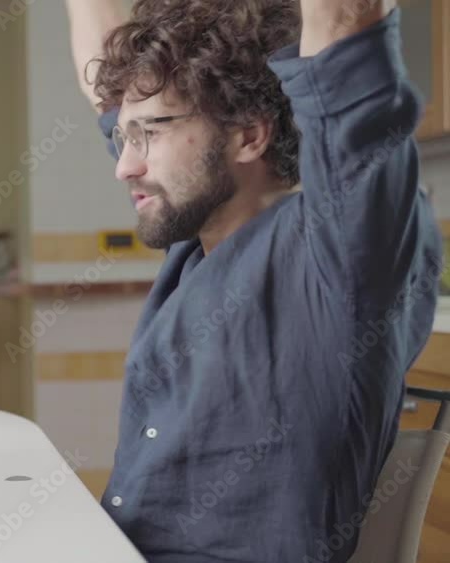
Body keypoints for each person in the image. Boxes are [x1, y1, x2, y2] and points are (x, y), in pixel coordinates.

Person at [63, 0, 444, 561]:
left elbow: (343, 25)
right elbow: (108, 82)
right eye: (125, 137)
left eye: (149, 133)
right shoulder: (203, 233)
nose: (125, 165)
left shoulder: (336, 250)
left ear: (248, 137)